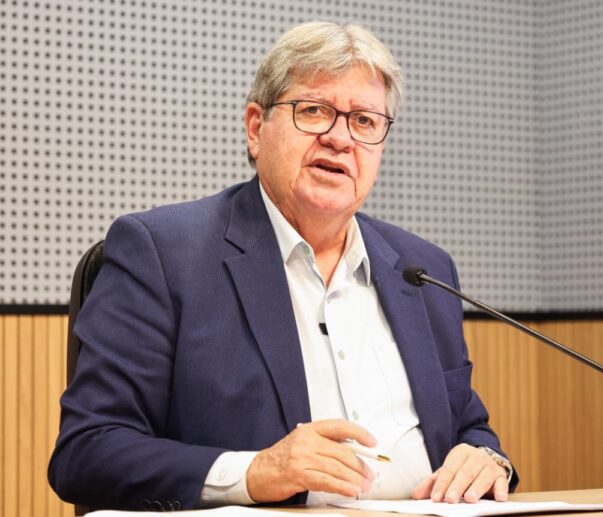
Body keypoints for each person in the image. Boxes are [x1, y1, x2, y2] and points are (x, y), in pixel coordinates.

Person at [48, 21, 518, 511]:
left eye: (364, 121)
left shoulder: (423, 271)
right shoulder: (165, 254)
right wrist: (254, 472)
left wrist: (485, 457)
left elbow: (467, 426)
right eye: (314, 111)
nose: (340, 138)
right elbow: (88, 451)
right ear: (256, 128)